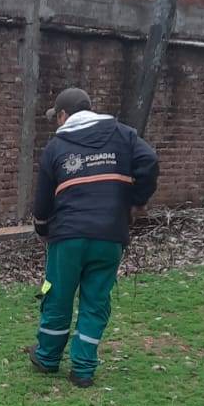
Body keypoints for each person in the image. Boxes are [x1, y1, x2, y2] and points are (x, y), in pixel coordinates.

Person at [30, 87, 159, 388]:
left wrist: (42, 229)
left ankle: (47, 357)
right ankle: (83, 369)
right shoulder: (123, 135)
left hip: (68, 236)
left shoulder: (56, 146)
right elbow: (150, 161)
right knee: (96, 299)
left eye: (56, 117)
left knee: (57, 295)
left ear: (63, 115)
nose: (57, 122)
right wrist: (135, 201)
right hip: (110, 234)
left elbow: (42, 201)